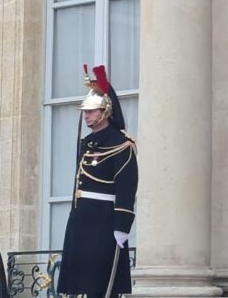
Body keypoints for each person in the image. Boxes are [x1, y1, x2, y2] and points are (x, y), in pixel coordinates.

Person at [57, 65, 138, 298]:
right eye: (85, 112)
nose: (86, 116)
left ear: (106, 112)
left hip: (104, 220)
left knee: (101, 285)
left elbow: (126, 187)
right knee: (79, 282)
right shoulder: (88, 142)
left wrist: (122, 226)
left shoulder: (122, 144)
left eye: (92, 111)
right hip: (81, 217)